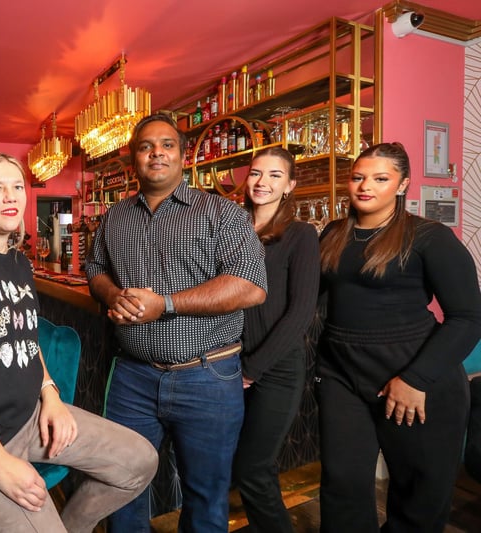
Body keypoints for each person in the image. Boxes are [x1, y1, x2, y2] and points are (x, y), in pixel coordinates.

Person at [0, 153, 158, 532]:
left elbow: (25, 337)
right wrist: (0, 464)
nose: (10, 196)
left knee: (140, 461)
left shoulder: (17, 262)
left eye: (16, 186)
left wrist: (51, 394)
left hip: (27, 420)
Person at [86, 113, 268, 532]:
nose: (157, 153)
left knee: (205, 495)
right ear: (134, 158)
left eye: (167, 145)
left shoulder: (221, 213)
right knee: (121, 486)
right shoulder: (115, 217)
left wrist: (165, 304)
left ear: (184, 156)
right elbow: (95, 269)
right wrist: (112, 294)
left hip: (207, 377)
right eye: (146, 146)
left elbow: (251, 286)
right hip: (132, 377)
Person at [317, 142, 481, 532]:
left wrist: (415, 379)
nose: (365, 186)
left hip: (415, 374)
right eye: (358, 177)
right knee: (341, 486)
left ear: (402, 184)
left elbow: (469, 317)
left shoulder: (429, 237)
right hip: (342, 374)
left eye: (380, 178)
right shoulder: (335, 233)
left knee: (417, 497)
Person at [231, 147, 319, 532]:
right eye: (255, 173)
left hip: (276, 368)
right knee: (234, 461)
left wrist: (252, 369)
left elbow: (301, 312)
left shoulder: (300, 235)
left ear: (290, 186)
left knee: (253, 468)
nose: (262, 182)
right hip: (229, 363)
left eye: (274, 175)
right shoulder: (231, 228)